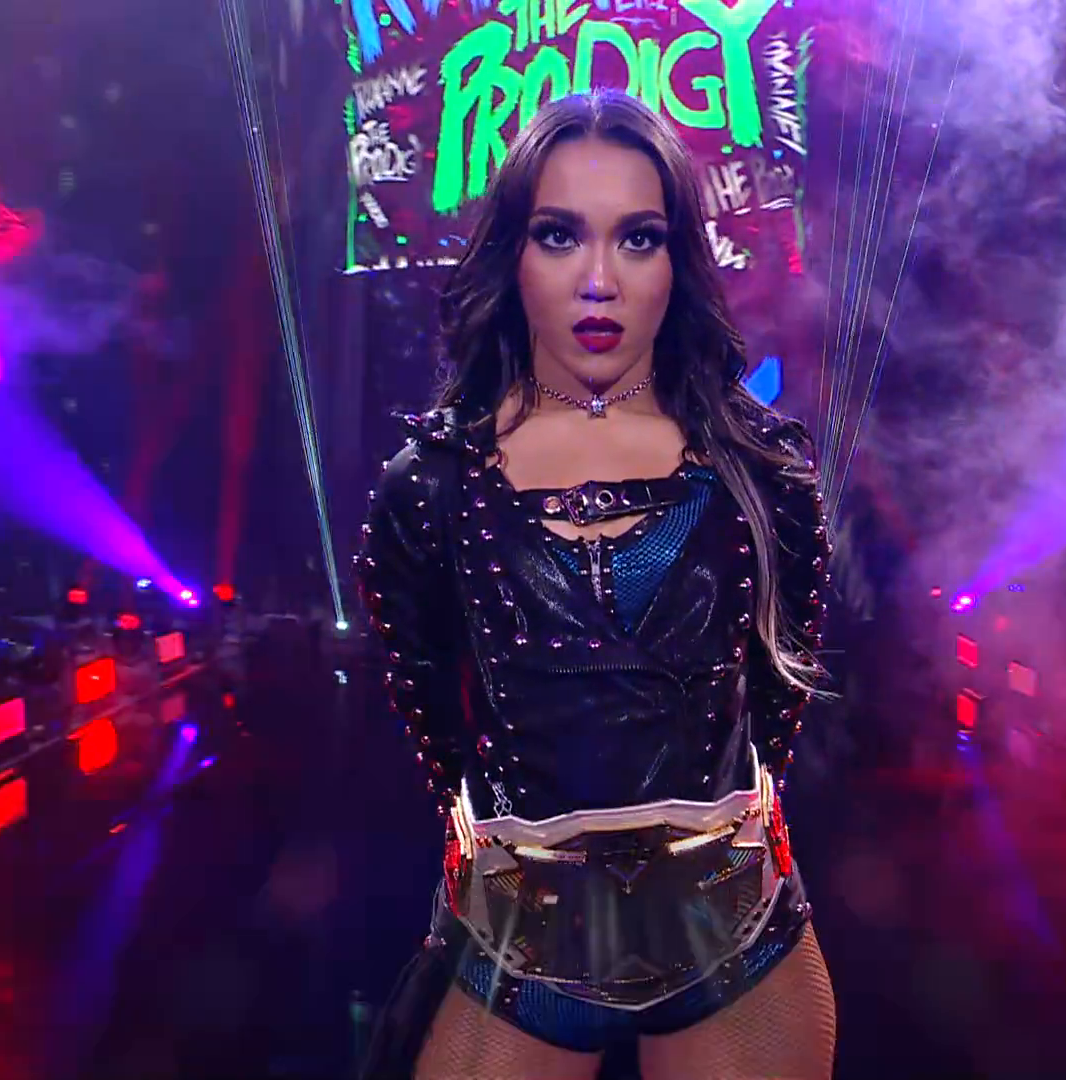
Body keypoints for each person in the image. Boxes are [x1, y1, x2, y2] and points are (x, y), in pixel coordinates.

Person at [354, 90, 837, 1079]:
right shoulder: (429, 486)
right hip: (512, 949)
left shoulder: (764, 471)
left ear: (678, 262)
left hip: (737, 943)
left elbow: (775, 709)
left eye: (639, 238)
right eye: (561, 235)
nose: (600, 281)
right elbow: (433, 725)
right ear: (514, 256)